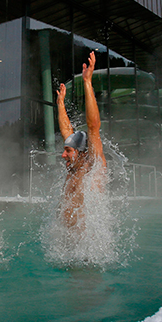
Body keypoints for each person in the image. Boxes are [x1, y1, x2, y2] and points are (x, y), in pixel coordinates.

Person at [56, 51, 107, 230]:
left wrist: (87, 82)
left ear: (83, 152)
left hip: (86, 252)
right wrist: (60, 104)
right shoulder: (74, 168)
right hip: (68, 247)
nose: (63, 155)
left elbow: (93, 126)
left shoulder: (93, 165)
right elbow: (67, 132)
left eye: (68, 151)